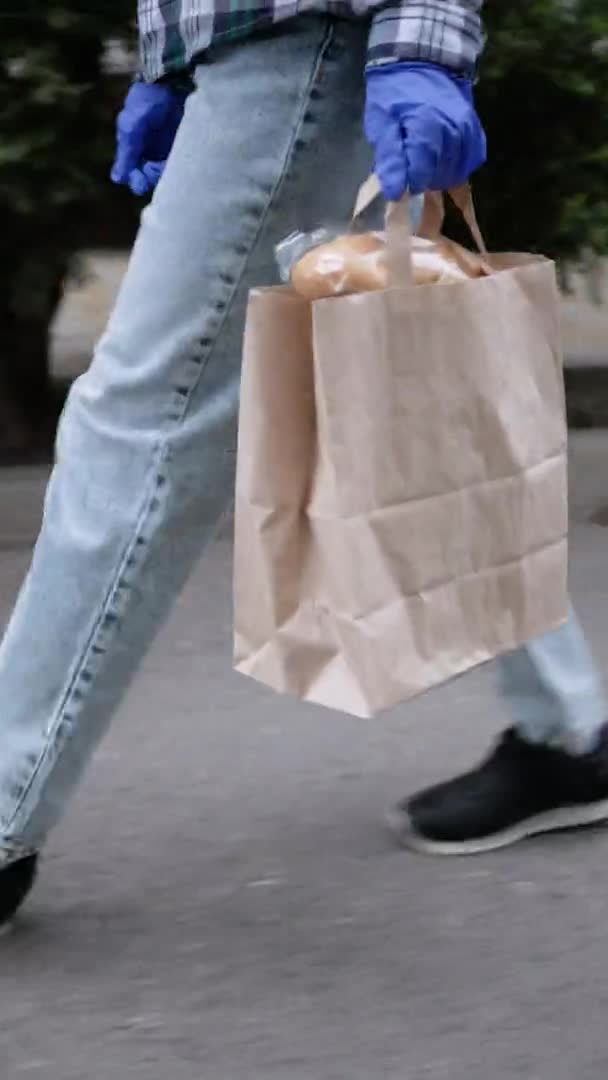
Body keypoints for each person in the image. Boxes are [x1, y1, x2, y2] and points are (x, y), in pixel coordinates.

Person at [0, 0, 606, 929]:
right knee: (390, 392)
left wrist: (424, 43)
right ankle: (569, 728)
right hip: (272, 40)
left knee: (144, 417)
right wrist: (168, 63)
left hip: (303, 38)